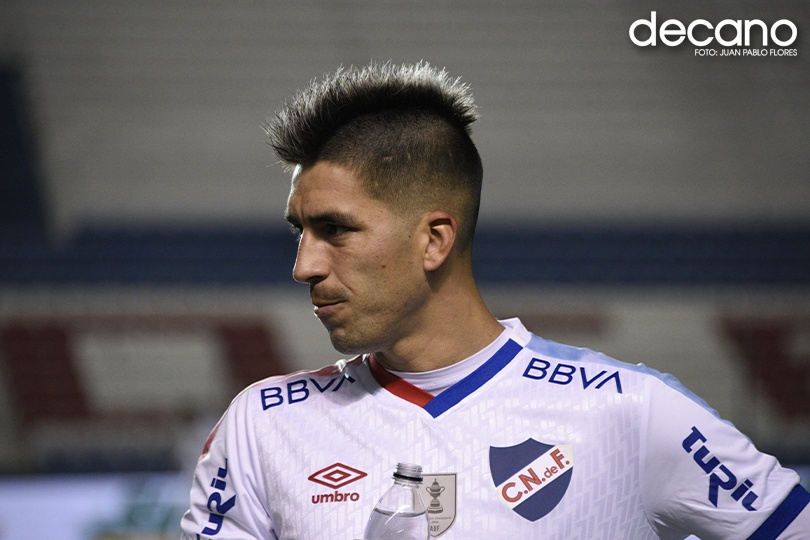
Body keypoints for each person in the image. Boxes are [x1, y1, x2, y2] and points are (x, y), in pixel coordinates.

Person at [181, 61, 809, 539]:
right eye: (300, 232)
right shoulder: (263, 425)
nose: (304, 266)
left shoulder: (630, 412)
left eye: (335, 230)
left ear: (434, 240)